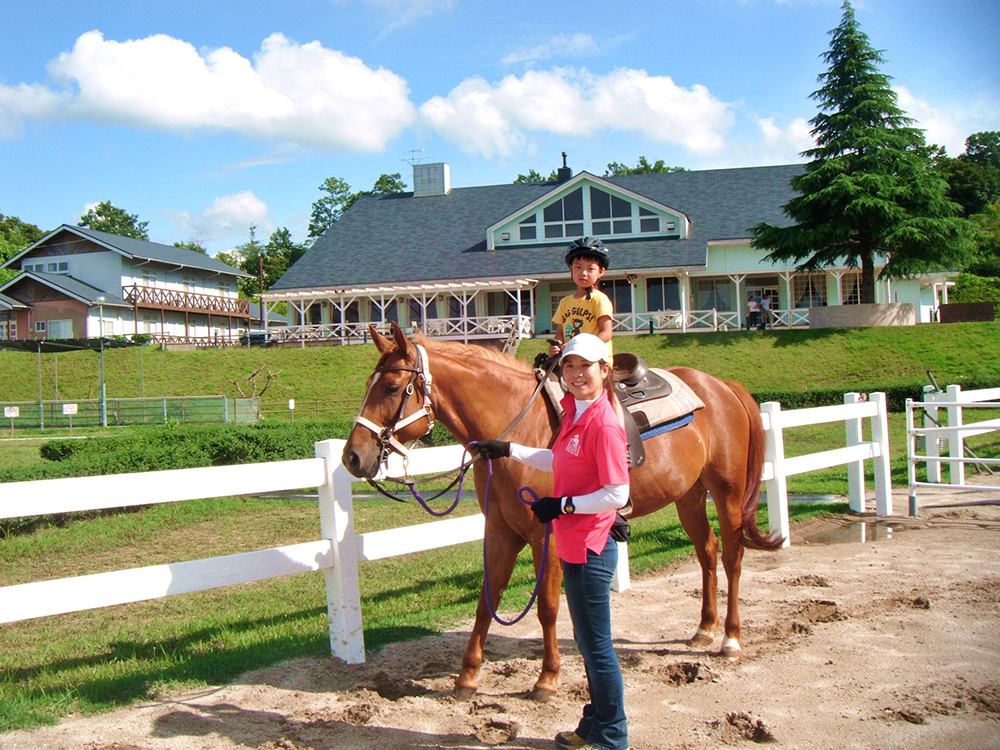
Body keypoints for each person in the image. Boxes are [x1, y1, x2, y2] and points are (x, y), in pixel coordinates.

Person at [476, 333, 630, 750]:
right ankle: (594, 723)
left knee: (597, 647)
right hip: (574, 543)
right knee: (586, 642)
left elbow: (618, 493)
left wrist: (562, 505)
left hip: (593, 546)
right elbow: (556, 459)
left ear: (603, 370)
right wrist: (508, 449)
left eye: (587, 366)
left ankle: (613, 737)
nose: (577, 374)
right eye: (571, 367)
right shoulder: (576, 414)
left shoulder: (603, 423)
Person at [550, 237, 614, 361]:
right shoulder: (565, 302)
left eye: (590, 269)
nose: (583, 273)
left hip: (596, 359)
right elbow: (560, 333)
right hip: (572, 359)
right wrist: (556, 344)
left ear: (601, 272)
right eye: (578, 267)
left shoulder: (599, 300)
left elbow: (606, 333)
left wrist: (582, 347)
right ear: (570, 269)